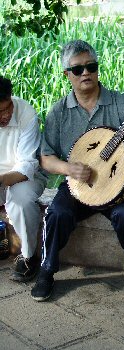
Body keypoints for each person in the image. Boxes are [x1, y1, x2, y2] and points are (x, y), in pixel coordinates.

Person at [31, 40, 124, 301]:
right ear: (67, 75)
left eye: (91, 66)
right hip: (78, 186)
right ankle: (46, 271)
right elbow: (46, 158)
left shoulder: (119, 103)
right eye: (78, 69)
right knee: (56, 213)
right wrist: (69, 168)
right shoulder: (58, 112)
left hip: (115, 185)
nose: (86, 73)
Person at [0, 76, 47, 281]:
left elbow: (26, 165)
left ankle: (28, 257)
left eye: (7, 107)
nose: (6, 115)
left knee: (21, 199)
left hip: (26, 176)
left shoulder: (26, 113)